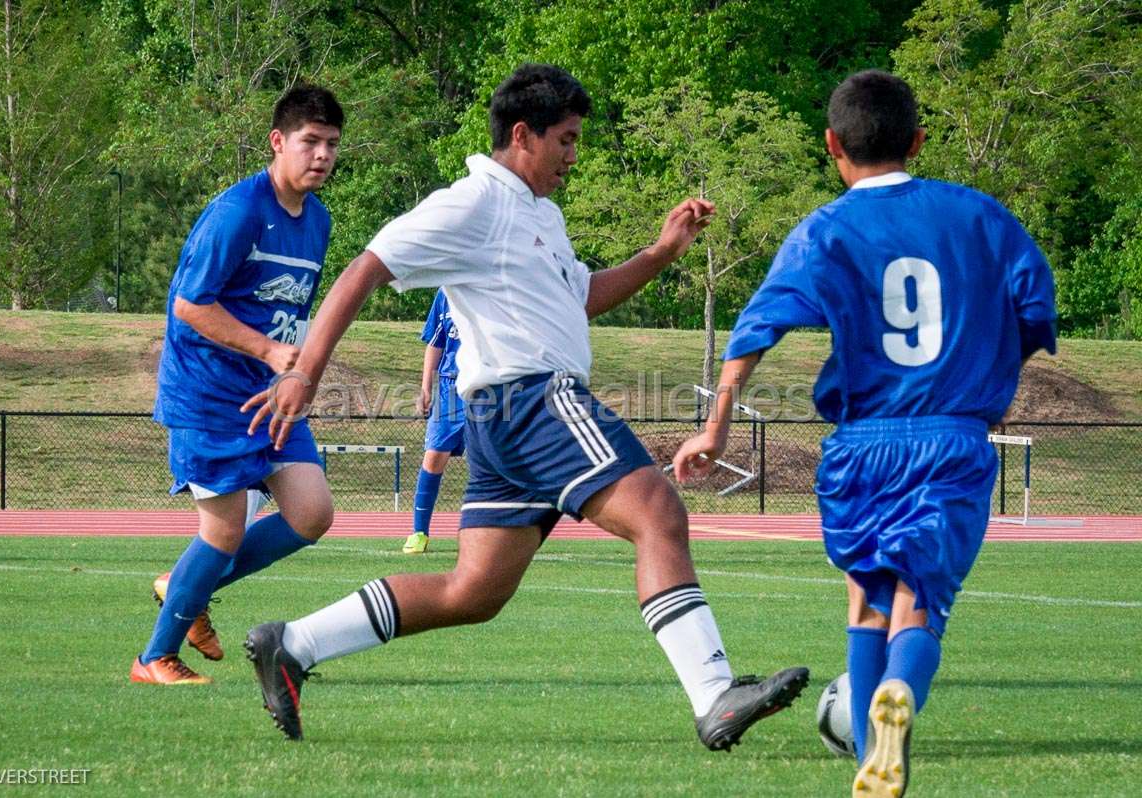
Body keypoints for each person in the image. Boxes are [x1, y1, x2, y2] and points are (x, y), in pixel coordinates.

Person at [241, 63, 809, 746]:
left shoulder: (539, 212)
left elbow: (583, 297)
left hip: (501, 419)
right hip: (535, 400)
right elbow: (368, 266)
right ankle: (716, 693)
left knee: (472, 592)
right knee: (657, 510)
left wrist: (661, 252)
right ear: (522, 134)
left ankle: (292, 644)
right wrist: (304, 372)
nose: (574, 155)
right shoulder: (475, 201)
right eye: (566, 140)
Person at [674, 70, 1056, 797]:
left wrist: (717, 427)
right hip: (950, 439)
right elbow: (1035, 306)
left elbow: (757, 327)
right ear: (918, 139)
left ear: (831, 146)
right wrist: (994, 375)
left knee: (867, 601)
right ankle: (898, 702)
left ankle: (867, 753)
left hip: (861, 445)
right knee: (921, 604)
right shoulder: (980, 215)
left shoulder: (823, 229)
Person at [130, 85, 345, 685]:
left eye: (331, 144)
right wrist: (271, 350)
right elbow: (189, 306)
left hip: (270, 394)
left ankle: (184, 584)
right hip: (208, 393)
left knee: (312, 512)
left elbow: (288, 311)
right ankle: (154, 659)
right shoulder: (238, 212)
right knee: (221, 531)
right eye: (310, 142)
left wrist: (293, 369)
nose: (322, 155)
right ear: (278, 142)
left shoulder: (318, 221)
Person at [402, 289, 465, 555]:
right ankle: (419, 532)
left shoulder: (498, 284)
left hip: (488, 389)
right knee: (433, 457)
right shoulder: (446, 292)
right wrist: (426, 388)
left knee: (486, 463)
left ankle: (492, 534)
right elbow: (436, 342)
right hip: (449, 389)